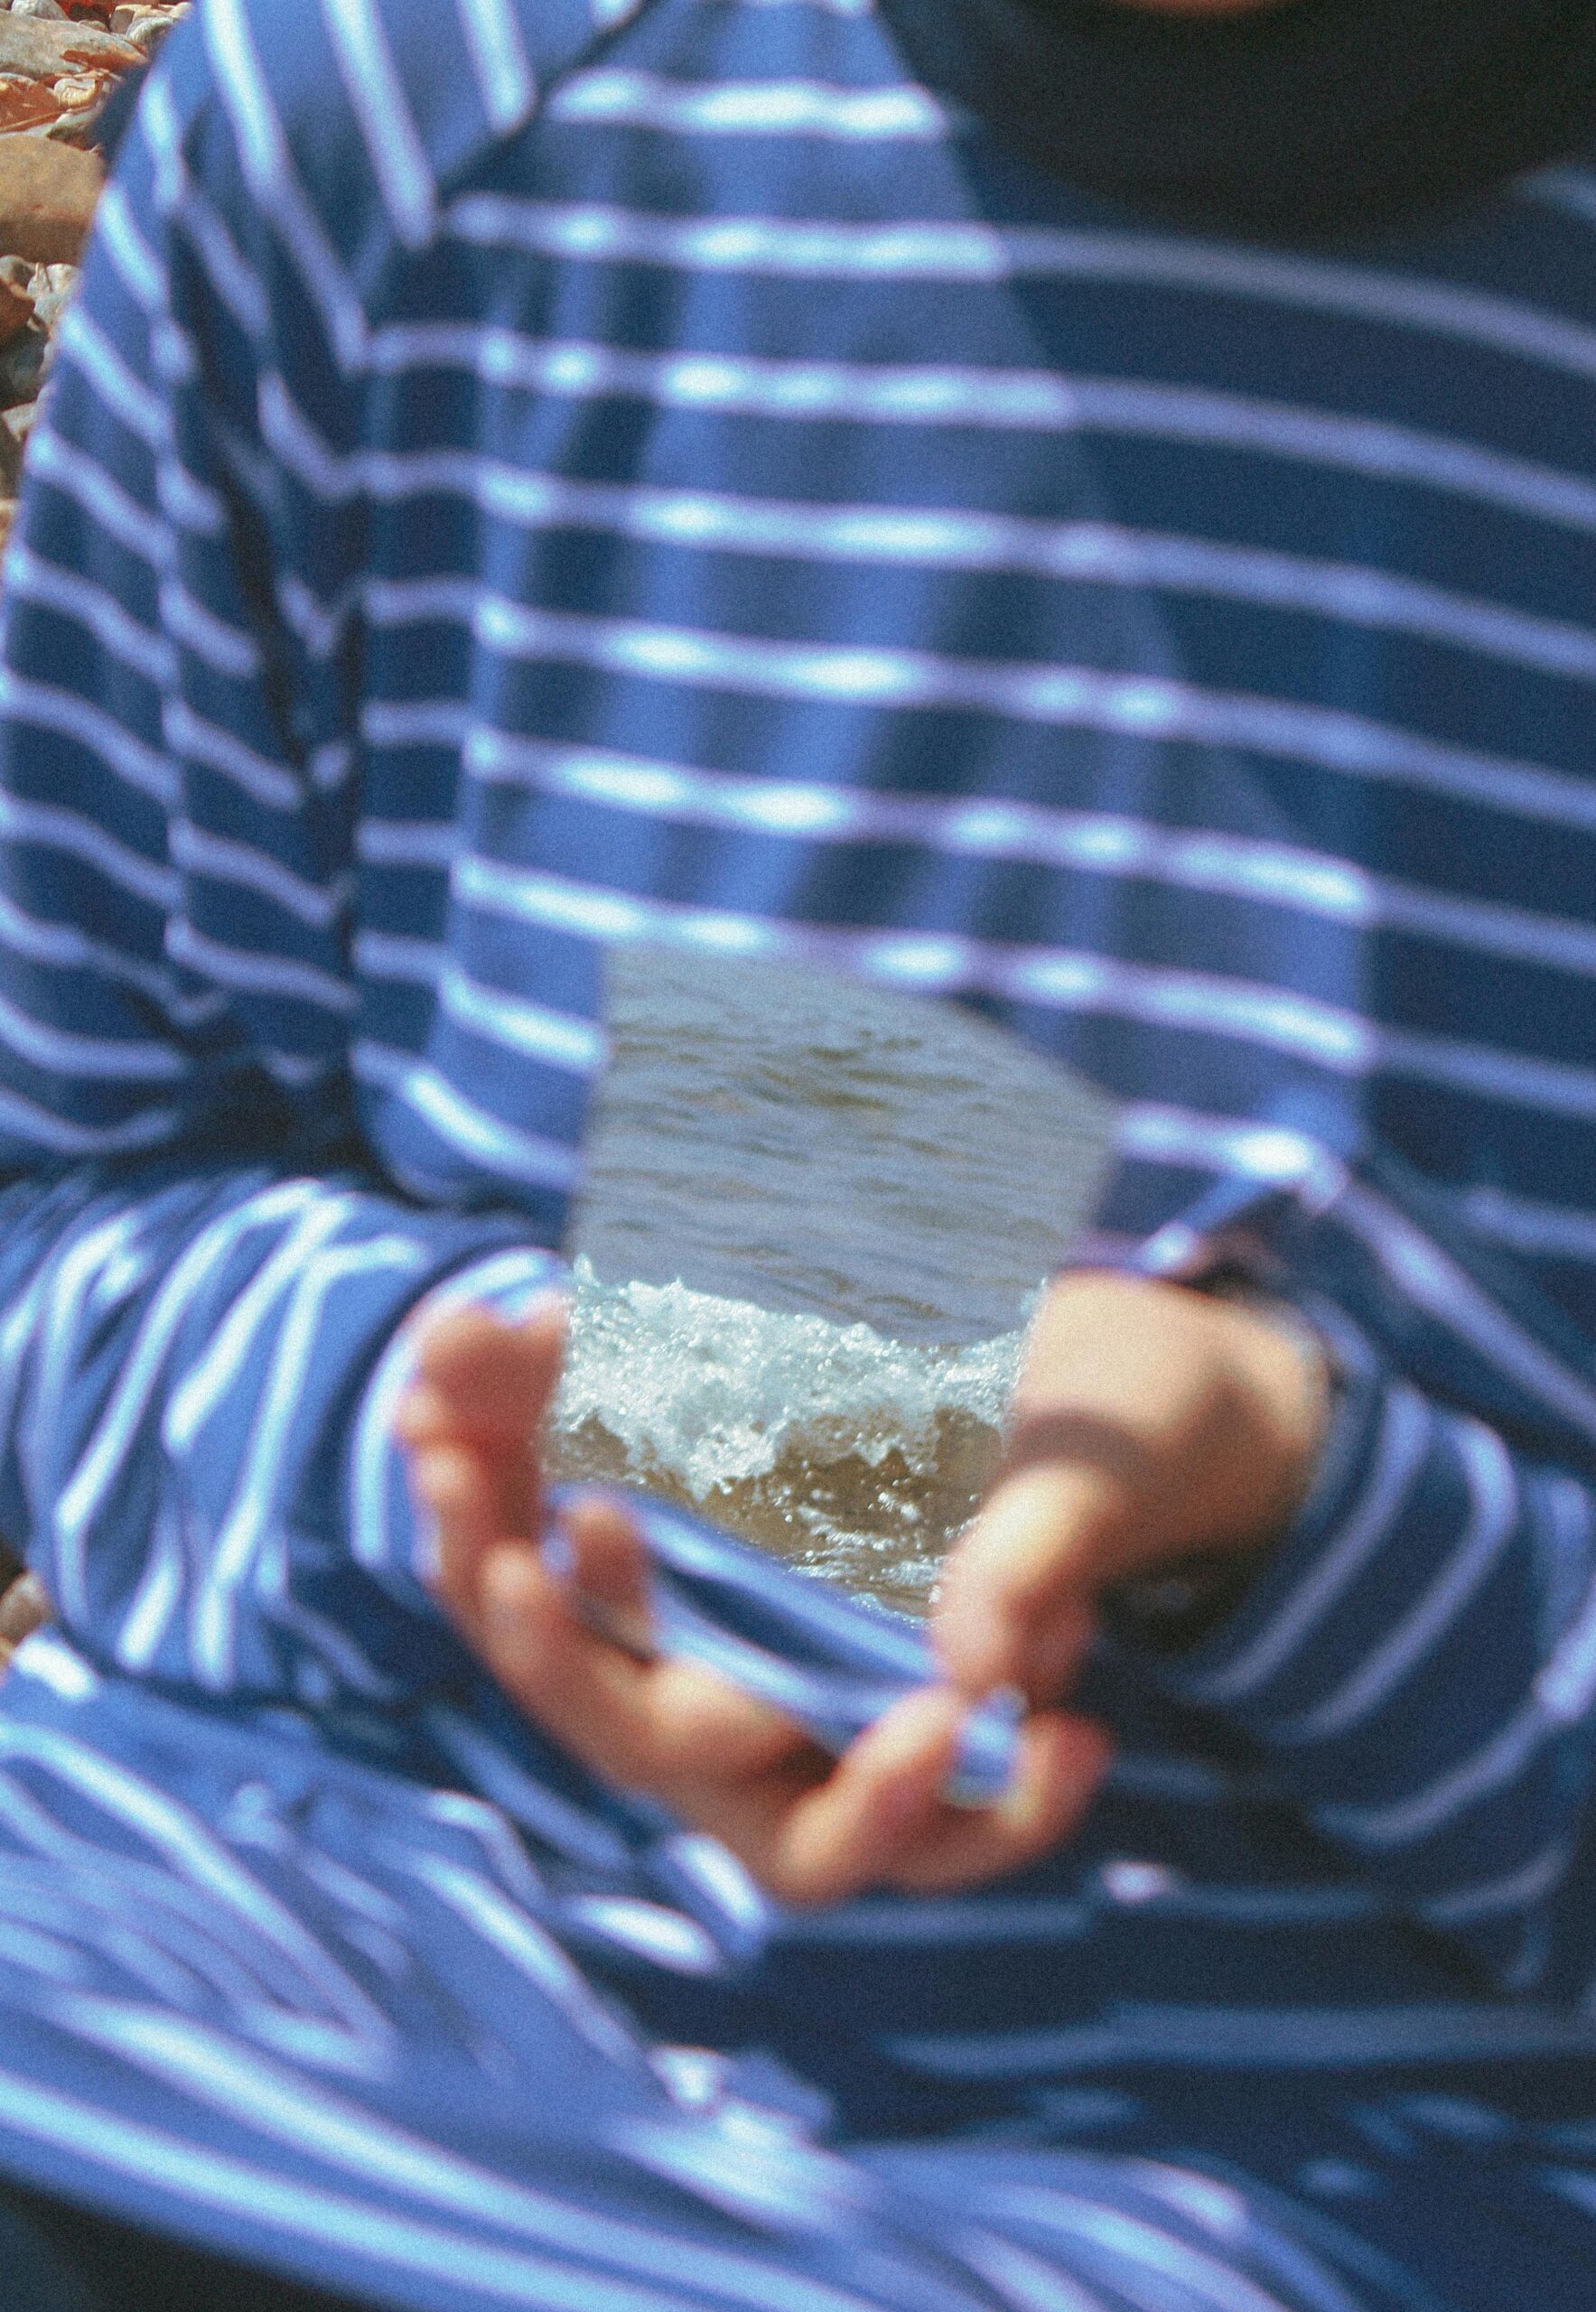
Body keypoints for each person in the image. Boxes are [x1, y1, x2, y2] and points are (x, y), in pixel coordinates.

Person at [0, 0, 1592, 2302]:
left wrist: (1288, 1493)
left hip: (1314, 2190)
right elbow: (72, 1208)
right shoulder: (396, 114)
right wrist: (606, 1424)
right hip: (208, 2022)